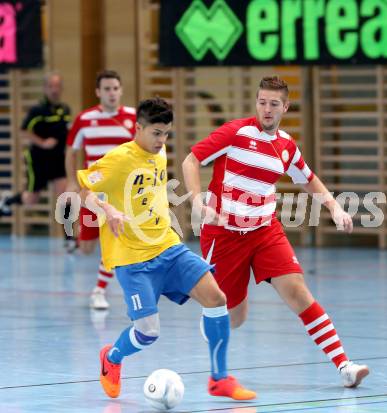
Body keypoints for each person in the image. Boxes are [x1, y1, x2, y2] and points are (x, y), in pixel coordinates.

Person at [182, 76, 370, 388]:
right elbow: (192, 160)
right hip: (225, 235)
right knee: (235, 317)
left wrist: (334, 207)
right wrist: (197, 201)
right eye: (262, 102)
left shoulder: (286, 147)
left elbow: (309, 178)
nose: (266, 109)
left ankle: (344, 365)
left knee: (298, 292)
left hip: (265, 231)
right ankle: (212, 321)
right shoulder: (235, 133)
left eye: (273, 104)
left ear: (285, 107)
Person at [76, 97, 256, 401]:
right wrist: (107, 210)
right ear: (139, 128)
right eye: (156, 133)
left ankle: (219, 379)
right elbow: (84, 192)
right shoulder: (119, 159)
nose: (162, 140)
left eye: (166, 134)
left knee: (216, 298)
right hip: (133, 260)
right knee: (147, 332)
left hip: (167, 248)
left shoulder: (159, 157)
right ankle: (112, 358)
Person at [65, 70, 136, 310]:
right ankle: (82, 245)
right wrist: (72, 181)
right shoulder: (84, 119)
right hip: (92, 192)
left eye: (115, 88)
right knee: (87, 248)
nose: (112, 93)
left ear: (121, 90)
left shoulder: (133, 118)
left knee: (113, 239)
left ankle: (99, 290)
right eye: (106, 89)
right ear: (98, 92)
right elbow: (70, 151)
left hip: (119, 194)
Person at [0, 72, 75, 251]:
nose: (54, 90)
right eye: (51, 86)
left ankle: (70, 239)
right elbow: (23, 131)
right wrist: (42, 142)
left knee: (65, 198)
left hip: (58, 160)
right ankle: (7, 201)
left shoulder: (65, 110)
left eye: (57, 86)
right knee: (31, 199)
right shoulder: (37, 111)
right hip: (38, 160)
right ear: (45, 88)